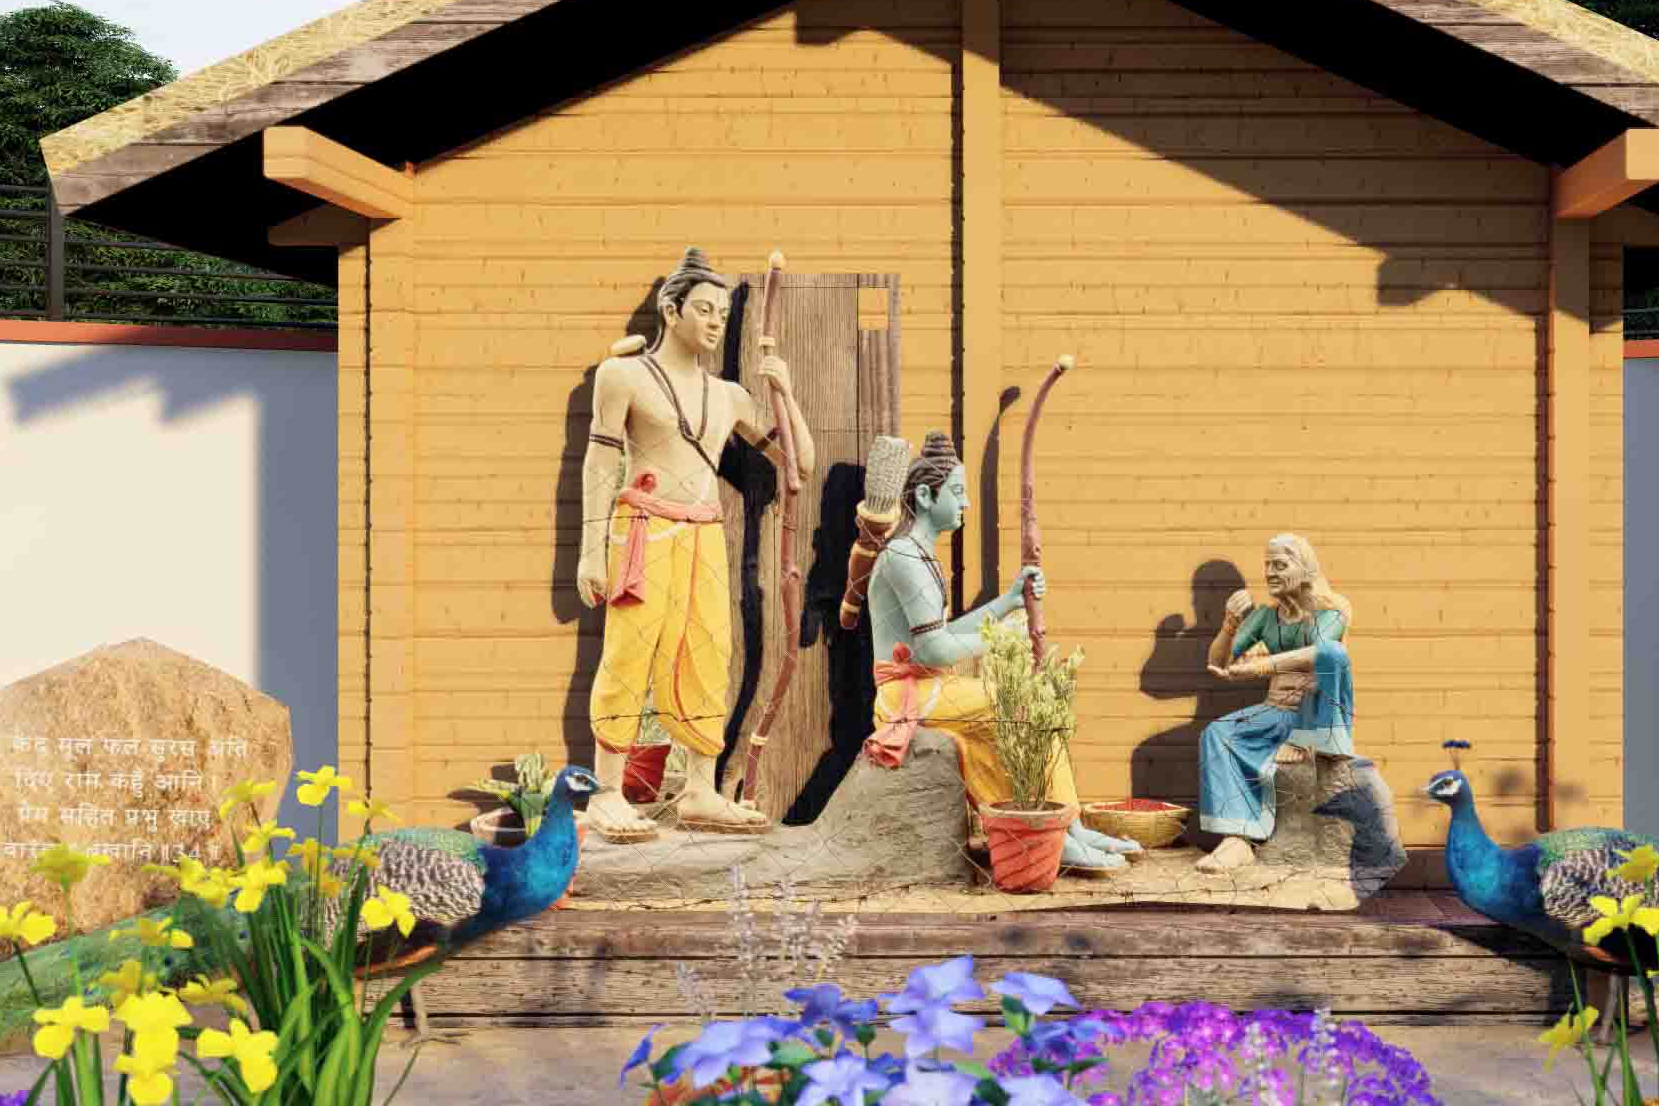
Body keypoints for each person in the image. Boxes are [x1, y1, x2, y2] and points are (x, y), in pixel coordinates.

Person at [572, 247, 805, 841]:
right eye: (704, 309)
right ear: (670, 310)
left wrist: (784, 391)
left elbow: (796, 462)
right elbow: (599, 464)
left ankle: (701, 788)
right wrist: (590, 550)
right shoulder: (622, 375)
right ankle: (606, 792)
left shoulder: (727, 396)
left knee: (708, 653)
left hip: (704, 535)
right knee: (628, 653)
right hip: (642, 531)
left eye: (722, 314)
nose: (715, 322)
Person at [859, 432, 1136, 875]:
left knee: (1036, 704)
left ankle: (1069, 825)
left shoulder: (918, 554)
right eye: (957, 492)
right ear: (926, 497)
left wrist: (1008, 601)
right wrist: (1004, 638)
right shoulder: (905, 558)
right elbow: (935, 648)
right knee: (1020, 702)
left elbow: (944, 634)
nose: (966, 503)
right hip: (906, 697)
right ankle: (1053, 830)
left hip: (932, 687)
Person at [1193, 533, 1357, 873]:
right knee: (1217, 733)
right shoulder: (1268, 617)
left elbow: (1320, 652)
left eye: (1279, 565)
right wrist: (1229, 624)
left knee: (1334, 654)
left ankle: (1315, 742)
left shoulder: (1333, 609)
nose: (1269, 573)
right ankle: (1238, 839)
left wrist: (1261, 666)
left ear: (1305, 568)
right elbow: (1217, 663)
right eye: (1267, 565)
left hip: (1317, 714)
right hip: (1277, 710)